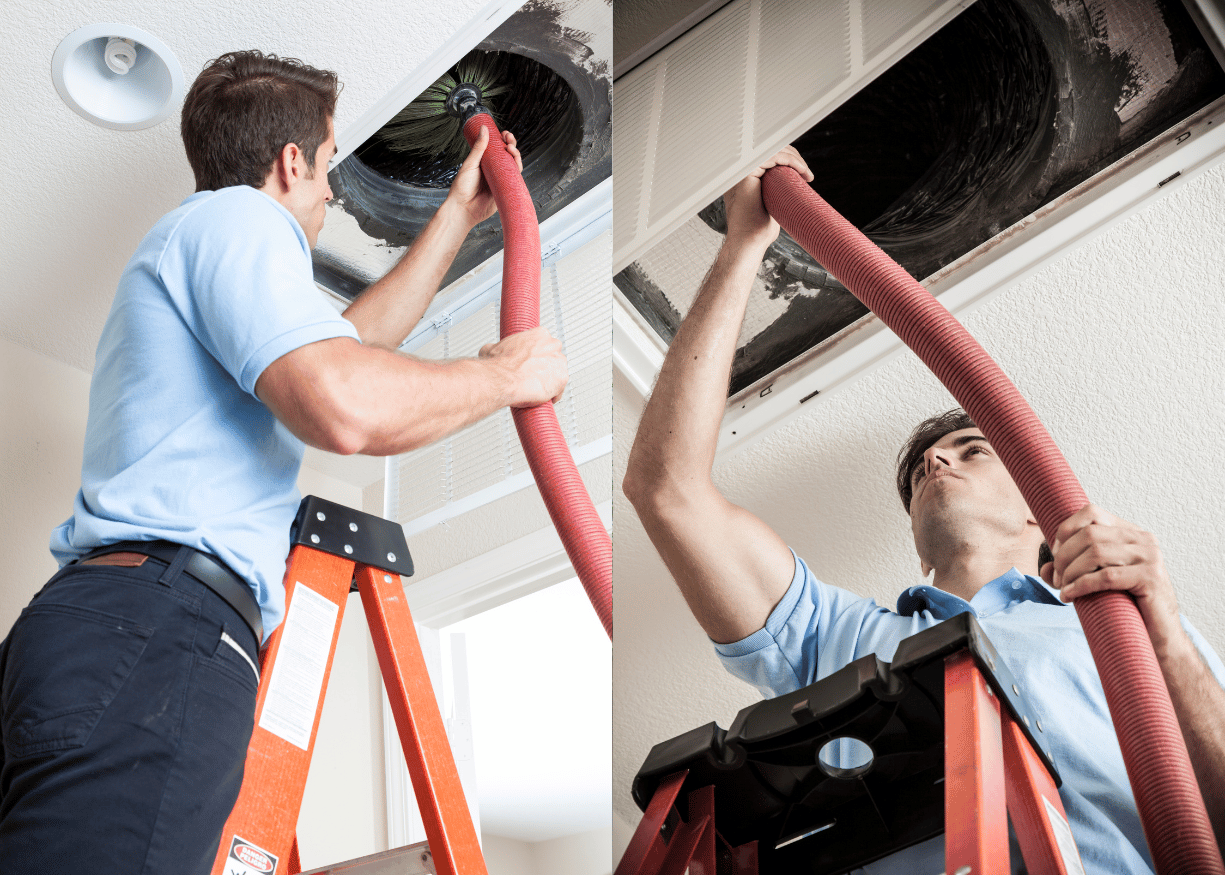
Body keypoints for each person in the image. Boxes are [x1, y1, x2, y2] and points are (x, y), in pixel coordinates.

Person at [0, 51, 566, 875]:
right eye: (330, 163)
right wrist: (506, 375)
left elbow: (349, 347)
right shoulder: (235, 221)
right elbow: (344, 401)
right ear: (291, 161)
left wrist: (454, 216)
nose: (334, 192)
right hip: (160, 627)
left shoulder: (202, 244)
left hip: (110, 625)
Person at [622, 147, 1225, 874]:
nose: (936, 462)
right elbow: (666, 488)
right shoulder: (836, 638)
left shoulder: (1123, 623)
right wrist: (742, 244)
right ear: (914, 543)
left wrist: (1158, 624)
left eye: (973, 449)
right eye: (917, 471)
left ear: (1041, 511)